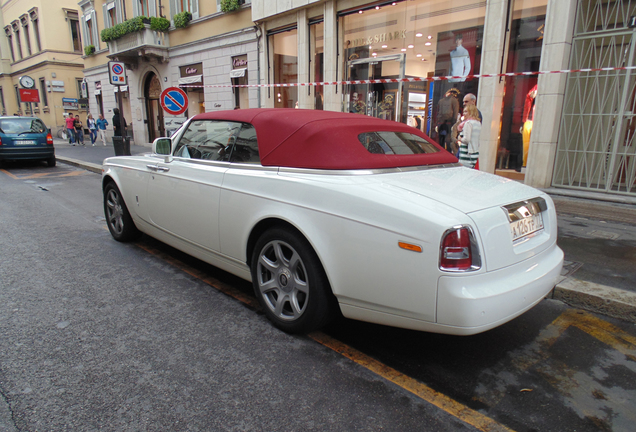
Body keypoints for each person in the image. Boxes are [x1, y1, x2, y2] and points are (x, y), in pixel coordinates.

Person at [457, 104, 481, 169]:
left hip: (466, 154)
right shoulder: (478, 123)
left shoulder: (468, 123)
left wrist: (460, 138)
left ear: (471, 112)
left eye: (466, 111)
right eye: (464, 111)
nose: (464, 113)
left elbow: (466, 140)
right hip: (474, 153)